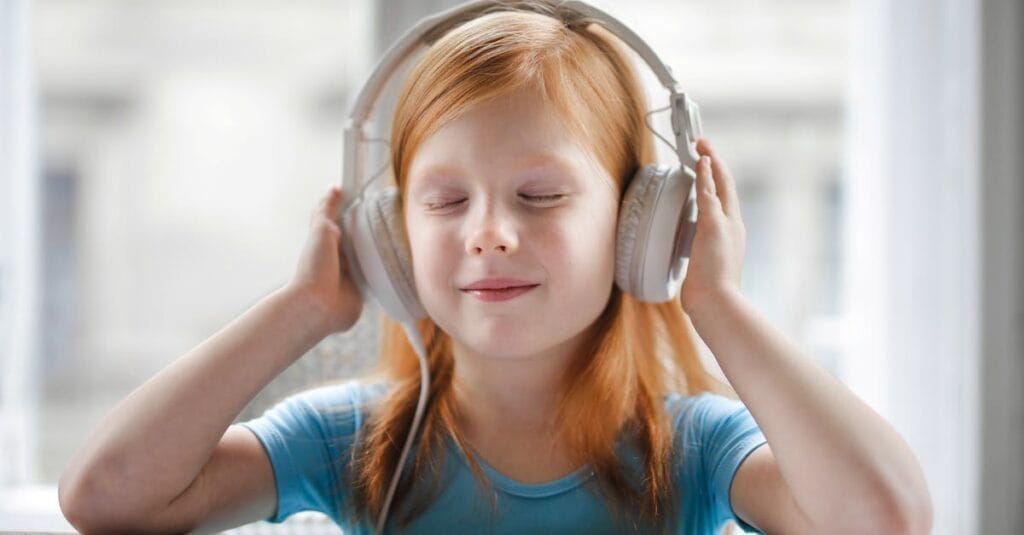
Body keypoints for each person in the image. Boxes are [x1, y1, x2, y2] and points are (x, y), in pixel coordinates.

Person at [57, 2, 933, 534]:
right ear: (390, 238)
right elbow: (106, 496)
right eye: (443, 203)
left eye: (541, 196)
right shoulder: (360, 442)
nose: (489, 233)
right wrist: (301, 310)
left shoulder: (692, 449)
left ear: (641, 225)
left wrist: (718, 303)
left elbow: (884, 519)